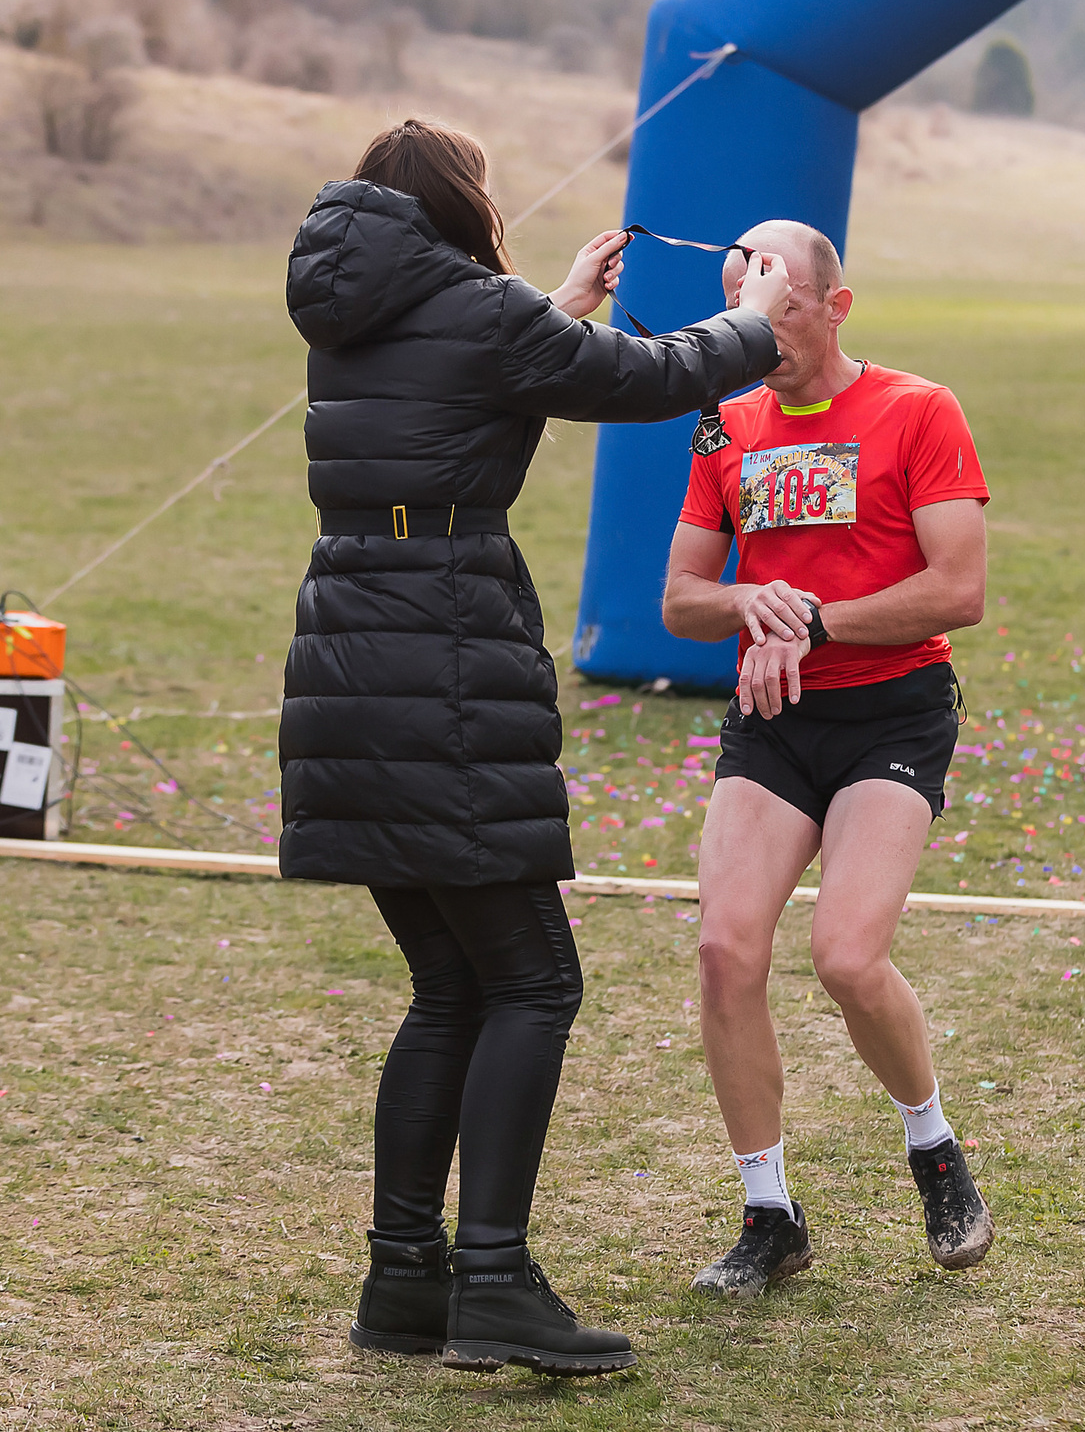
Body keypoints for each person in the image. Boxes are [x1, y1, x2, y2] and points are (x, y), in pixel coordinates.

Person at [280, 120, 790, 1373]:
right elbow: (649, 379)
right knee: (531, 981)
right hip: (440, 659)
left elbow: (478, 381)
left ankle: (405, 1278)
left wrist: (554, 302)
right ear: (459, 201)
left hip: (351, 650)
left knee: (451, 983)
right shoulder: (470, 304)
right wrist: (758, 322)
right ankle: (494, 1278)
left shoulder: (360, 305)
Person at [660, 219, 994, 1298]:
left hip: (890, 714)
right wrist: (745, 602)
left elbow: (958, 590)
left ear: (837, 303)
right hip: (775, 726)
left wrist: (808, 619)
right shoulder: (726, 421)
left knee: (847, 956)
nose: (761, 323)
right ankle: (769, 1213)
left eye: (781, 300)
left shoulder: (917, 408)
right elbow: (681, 599)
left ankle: (933, 1143)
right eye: (741, 303)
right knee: (724, 949)